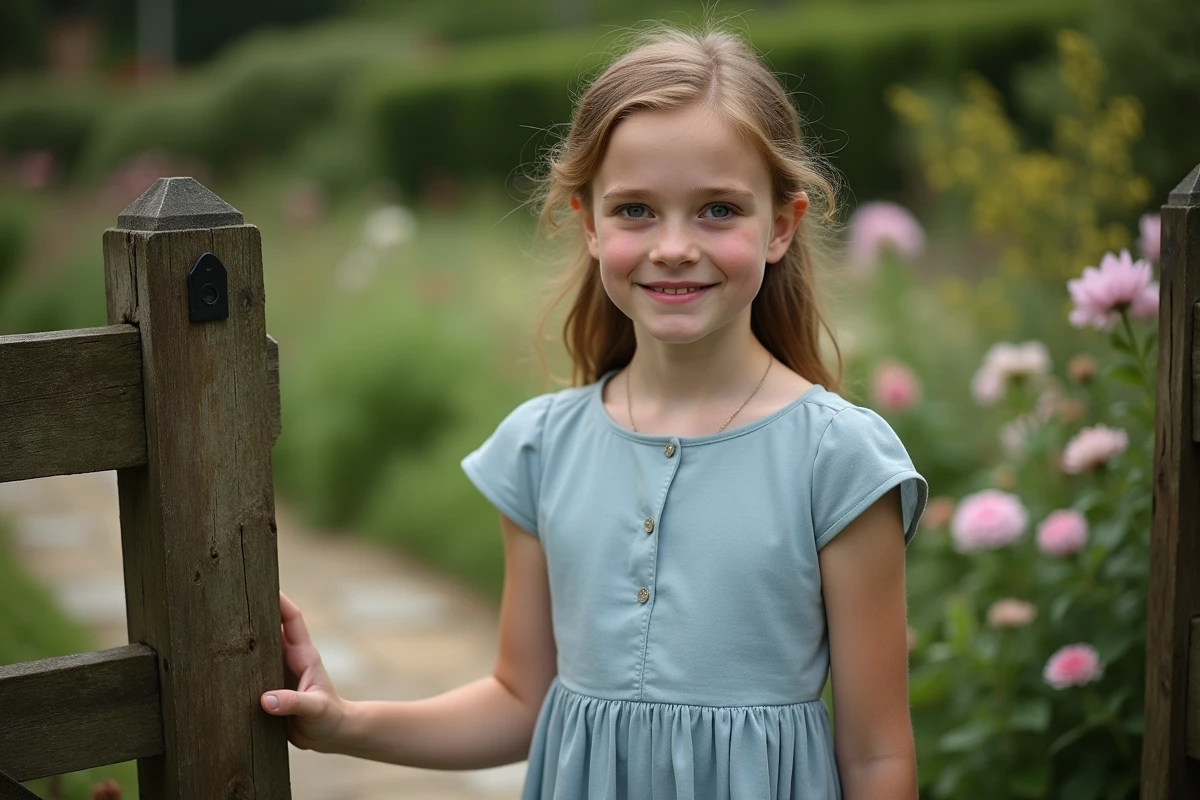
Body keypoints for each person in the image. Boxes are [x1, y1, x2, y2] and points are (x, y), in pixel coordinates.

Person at [260, 23, 929, 800]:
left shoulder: (840, 461)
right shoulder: (542, 449)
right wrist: (345, 723)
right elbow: (520, 701)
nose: (675, 246)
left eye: (718, 210)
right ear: (589, 223)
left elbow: (879, 755)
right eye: (637, 210)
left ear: (780, 225)